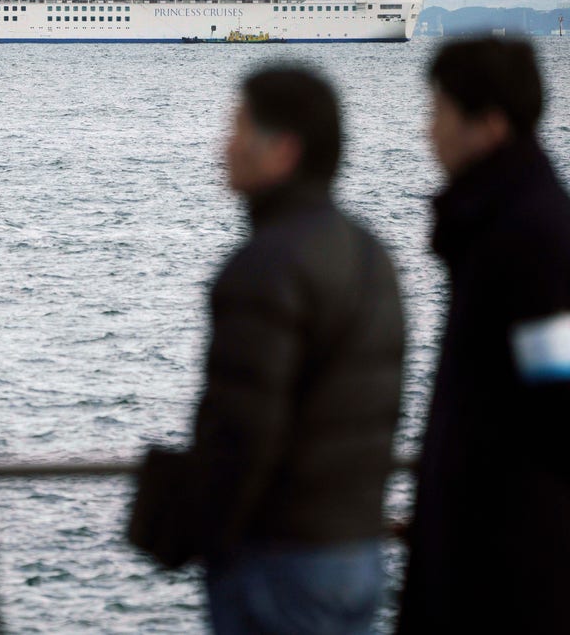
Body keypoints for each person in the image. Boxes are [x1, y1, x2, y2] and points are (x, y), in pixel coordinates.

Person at [190, 67, 404, 634]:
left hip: (279, 556)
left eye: (238, 128)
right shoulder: (371, 254)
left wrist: (202, 530)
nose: (224, 146)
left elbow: (243, 427)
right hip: (356, 549)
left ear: (283, 150)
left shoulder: (265, 266)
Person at [397, 38, 570, 634]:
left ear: (489, 126)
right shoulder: (500, 224)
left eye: (440, 112)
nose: (428, 132)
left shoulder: (533, 240)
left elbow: (559, 399)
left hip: (505, 571)